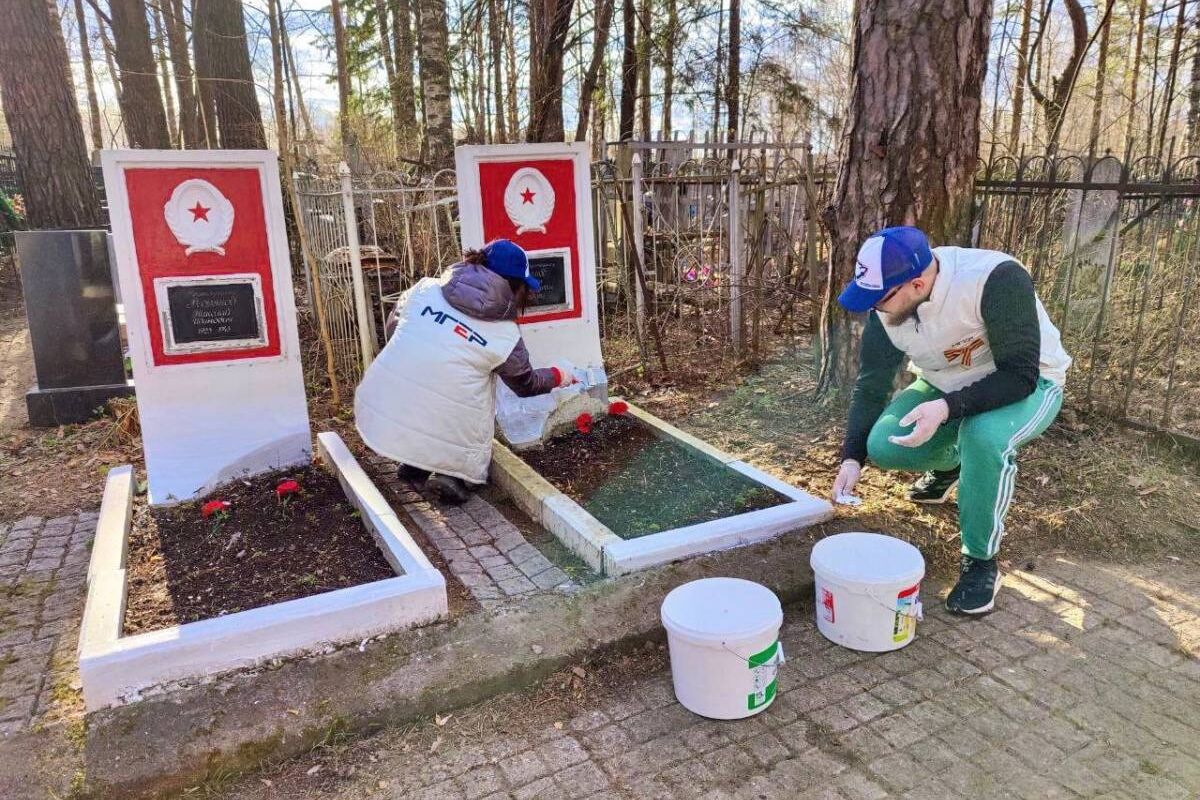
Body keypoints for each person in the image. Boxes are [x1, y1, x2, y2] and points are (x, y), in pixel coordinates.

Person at [830, 226, 1071, 616]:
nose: (873, 309)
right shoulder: (887, 307)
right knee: (883, 445)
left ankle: (981, 562)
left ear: (918, 283)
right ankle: (952, 466)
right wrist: (852, 458)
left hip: (1031, 383)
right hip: (946, 386)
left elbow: (1020, 375)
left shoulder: (994, 279)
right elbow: (871, 385)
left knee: (983, 435)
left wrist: (945, 409)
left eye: (880, 299)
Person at [355, 239, 575, 505]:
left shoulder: (423, 290)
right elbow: (524, 383)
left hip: (388, 408)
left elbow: (394, 331)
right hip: (452, 417)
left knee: (432, 382)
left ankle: (415, 461)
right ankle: (455, 475)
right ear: (515, 285)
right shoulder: (504, 334)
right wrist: (559, 375)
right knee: (470, 392)